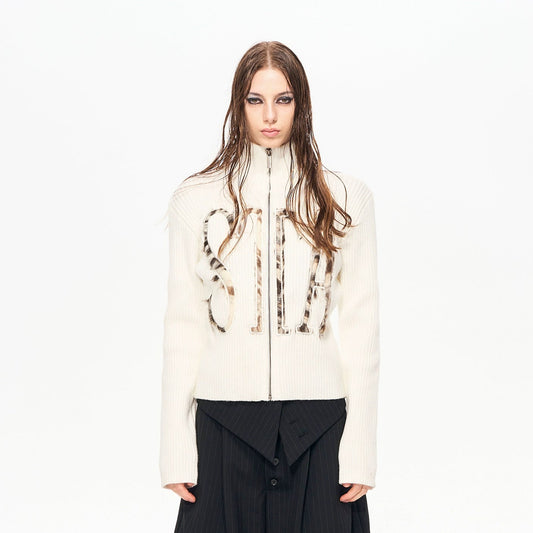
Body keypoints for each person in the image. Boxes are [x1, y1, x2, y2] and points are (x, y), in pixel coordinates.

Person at [159, 41, 381, 533]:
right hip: (223, 423)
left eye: (283, 99)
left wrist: (361, 448)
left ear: (301, 103)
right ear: (238, 104)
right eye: (255, 100)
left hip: (319, 425)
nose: (269, 116)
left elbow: (362, 328)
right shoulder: (195, 199)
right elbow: (183, 325)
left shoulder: (345, 198)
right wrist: (175, 448)